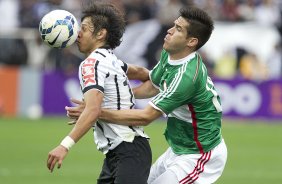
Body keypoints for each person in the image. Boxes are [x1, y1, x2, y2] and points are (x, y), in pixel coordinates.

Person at [67, 5, 227, 184]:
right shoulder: (170, 53)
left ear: (191, 42)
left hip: (200, 154)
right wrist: (118, 92)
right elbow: (152, 85)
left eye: (178, 29)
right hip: (177, 149)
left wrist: (95, 110)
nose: (169, 30)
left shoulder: (187, 77)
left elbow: (145, 116)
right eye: (174, 25)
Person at [47, 2, 152, 184]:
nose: (78, 33)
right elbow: (147, 75)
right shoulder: (113, 61)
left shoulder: (91, 64)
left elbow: (94, 110)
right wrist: (123, 94)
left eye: (85, 29)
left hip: (128, 151)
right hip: (121, 153)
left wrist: (64, 146)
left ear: (101, 34)